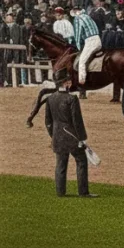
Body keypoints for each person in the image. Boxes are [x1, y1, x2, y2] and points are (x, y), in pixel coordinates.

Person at [44, 68, 97, 198]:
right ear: (66, 83)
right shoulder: (72, 98)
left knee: (61, 164)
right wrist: (82, 137)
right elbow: (77, 120)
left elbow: (48, 122)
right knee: (81, 161)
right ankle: (83, 191)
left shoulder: (50, 98)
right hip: (72, 136)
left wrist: (53, 135)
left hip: (57, 136)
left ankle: (60, 191)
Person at [71, 5, 102, 91]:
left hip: (90, 41)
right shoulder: (87, 16)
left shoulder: (77, 18)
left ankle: (81, 83)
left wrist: (77, 46)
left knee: (82, 61)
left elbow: (77, 35)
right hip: (98, 39)